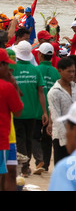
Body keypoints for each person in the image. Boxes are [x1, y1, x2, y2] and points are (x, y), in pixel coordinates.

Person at [12, 40, 48, 177]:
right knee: (28, 139)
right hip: (33, 112)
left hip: (17, 112)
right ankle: (26, 166)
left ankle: (24, 167)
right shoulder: (36, 70)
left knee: (20, 139)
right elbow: (41, 92)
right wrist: (44, 111)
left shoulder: (13, 69)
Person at [47, 57, 76, 165]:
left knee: (74, 172)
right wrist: (67, 140)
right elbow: (56, 118)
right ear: (60, 71)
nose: (72, 74)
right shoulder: (54, 92)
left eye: (73, 71)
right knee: (61, 169)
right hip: (60, 138)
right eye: (69, 71)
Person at [34, 42, 60, 174]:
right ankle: (45, 165)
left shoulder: (36, 70)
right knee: (47, 138)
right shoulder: (56, 72)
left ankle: (39, 160)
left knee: (34, 137)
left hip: (36, 110)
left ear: (40, 55)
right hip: (52, 112)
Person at [0, 48, 24, 191]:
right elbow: (18, 112)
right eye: (6, 65)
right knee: (5, 175)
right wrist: (13, 85)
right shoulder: (7, 87)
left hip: (7, 138)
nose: (9, 68)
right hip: (3, 139)